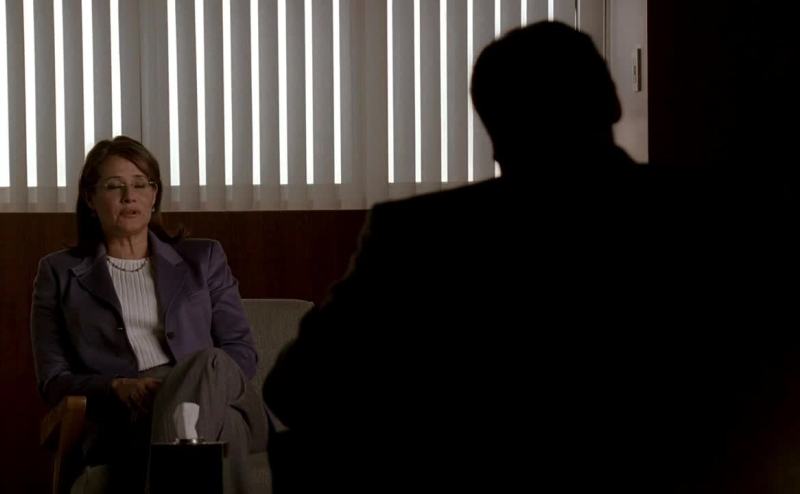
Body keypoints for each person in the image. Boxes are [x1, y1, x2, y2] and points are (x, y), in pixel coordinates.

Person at [263, 21, 799, 493]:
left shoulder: (419, 236)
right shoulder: (725, 220)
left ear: (493, 134)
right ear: (613, 103)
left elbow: (296, 391)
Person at [30, 136, 267, 493]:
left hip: (214, 389)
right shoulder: (58, 273)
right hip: (129, 418)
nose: (130, 196)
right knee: (224, 429)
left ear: (154, 195)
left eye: (141, 184)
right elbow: (53, 379)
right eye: (115, 186)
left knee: (209, 362)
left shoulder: (203, 258)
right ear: (90, 198)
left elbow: (241, 352)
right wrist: (116, 386)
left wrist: (187, 386)